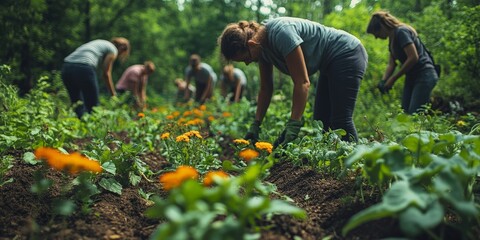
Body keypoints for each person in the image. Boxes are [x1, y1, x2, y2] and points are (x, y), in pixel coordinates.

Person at [218, 17, 367, 145]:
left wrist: (293, 124)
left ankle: (355, 169)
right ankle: (332, 172)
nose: (247, 63)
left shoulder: (281, 33)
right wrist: (256, 123)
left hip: (347, 52)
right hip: (329, 63)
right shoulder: (260, 48)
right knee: (322, 121)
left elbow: (302, 83)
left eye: (246, 58)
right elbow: (265, 88)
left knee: (340, 120)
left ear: (251, 44)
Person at [366, 11, 438, 114]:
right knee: (405, 113)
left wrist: (393, 79)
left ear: (382, 26)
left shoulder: (401, 32)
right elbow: (391, 64)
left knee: (415, 113)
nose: (376, 37)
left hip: (424, 74)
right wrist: (384, 81)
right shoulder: (392, 39)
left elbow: (413, 57)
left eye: (376, 34)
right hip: (412, 77)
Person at [61, 37, 130, 118]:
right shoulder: (113, 49)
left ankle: (80, 125)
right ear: (122, 48)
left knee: (77, 103)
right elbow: (106, 73)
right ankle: (92, 127)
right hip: (83, 68)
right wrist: (113, 94)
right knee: (93, 106)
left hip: (66, 67)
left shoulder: (101, 43)